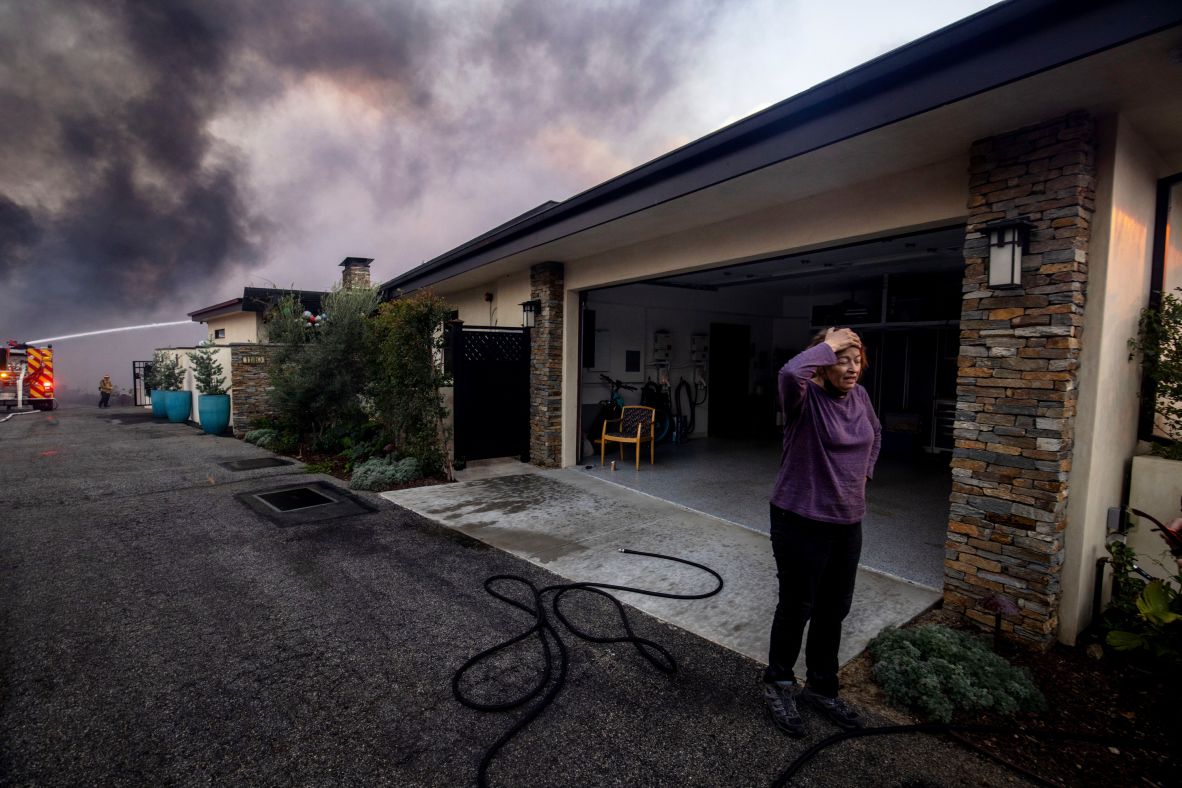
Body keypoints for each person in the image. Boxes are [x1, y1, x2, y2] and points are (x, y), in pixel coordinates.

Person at [762, 326, 881, 737]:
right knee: (798, 606)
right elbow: (788, 374)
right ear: (824, 364)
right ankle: (778, 684)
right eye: (842, 359)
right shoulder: (804, 398)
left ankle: (821, 687)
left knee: (834, 609)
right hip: (799, 519)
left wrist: (863, 474)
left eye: (857, 359)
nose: (852, 368)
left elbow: (875, 434)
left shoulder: (861, 398)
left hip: (848, 522)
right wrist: (828, 344)